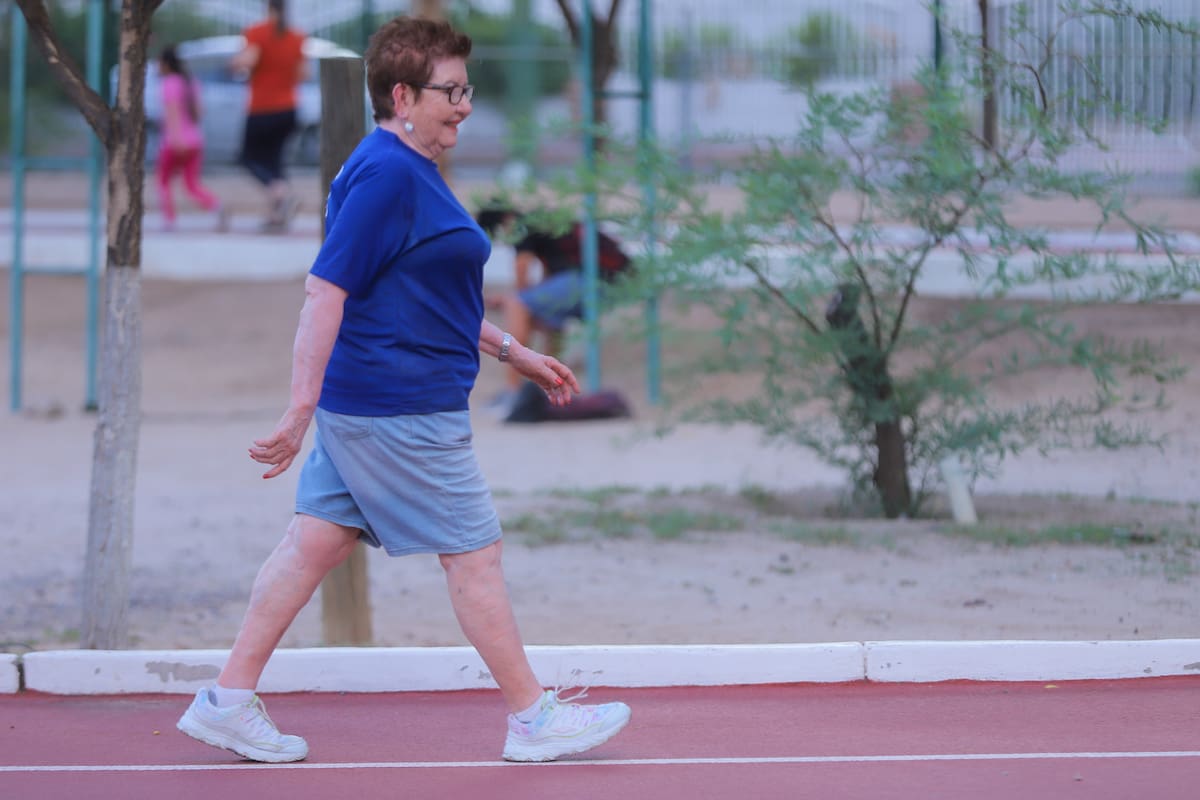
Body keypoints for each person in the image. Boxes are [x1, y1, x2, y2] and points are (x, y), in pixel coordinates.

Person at [176, 16, 632, 765]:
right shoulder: (389, 173)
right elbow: (326, 292)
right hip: (399, 410)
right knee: (474, 556)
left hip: (373, 405)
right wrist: (297, 410)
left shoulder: (401, 166)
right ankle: (531, 717)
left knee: (310, 544)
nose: (464, 105)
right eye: (450, 91)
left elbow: (419, 294)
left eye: (467, 89)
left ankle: (226, 700)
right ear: (402, 95)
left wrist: (512, 349)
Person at [476, 207, 632, 404]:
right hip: (618, 283)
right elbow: (549, 281)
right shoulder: (547, 225)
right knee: (549, 318)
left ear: (505, 221)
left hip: (588, 279)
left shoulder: (521, 225)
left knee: (516, 305)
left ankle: (512, 393)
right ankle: (551, 387)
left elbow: (522, 267)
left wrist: (515, 298)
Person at [231, 0, 307, 232]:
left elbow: (247, 60)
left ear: (268, 8)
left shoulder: (258, 32)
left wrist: (233, 64)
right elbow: (303, 73)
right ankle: (276, 214)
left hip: (263, 108)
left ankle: (282, 194)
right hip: (289, 108)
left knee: (248, 157)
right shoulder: (296, 37)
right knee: (274, 161)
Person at [155, 45, 226, 232]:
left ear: (166, 64)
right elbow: (200, 111)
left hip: (174, 142)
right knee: (191, 185)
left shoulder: (170, 83)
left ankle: (169, 220)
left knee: (163, 182)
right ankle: (216, 206)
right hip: (195, 140)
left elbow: (172, 114)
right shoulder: (191, 82)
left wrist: (177, 139)